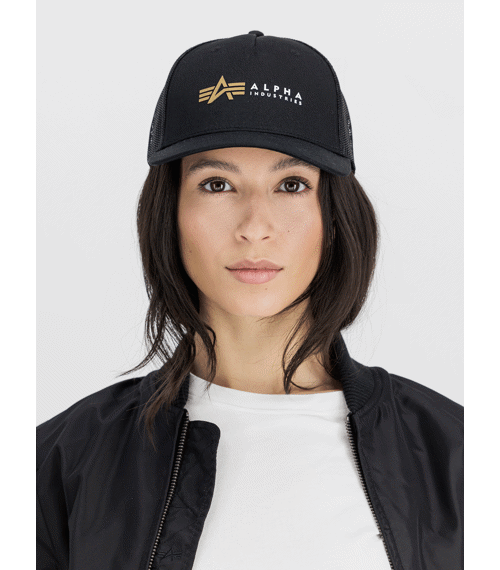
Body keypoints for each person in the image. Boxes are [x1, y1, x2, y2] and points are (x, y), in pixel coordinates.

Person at [36, 31, 464, 570]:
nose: (255, 227)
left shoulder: (455, 454)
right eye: (217, 184)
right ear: (169, 212)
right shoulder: (62, 462)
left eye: (291, 185)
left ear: (335, 216)